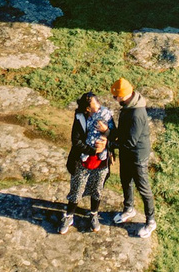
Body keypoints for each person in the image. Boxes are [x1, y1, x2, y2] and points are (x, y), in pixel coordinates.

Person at [110, 77, 156, 238]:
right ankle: (128, 209)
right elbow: (123, 134)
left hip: (137, 156)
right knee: (125, 181)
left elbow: (129, 141)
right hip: (126, 152)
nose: (114, 99)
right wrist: (109, 133)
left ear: (123, 96)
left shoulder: (137, 113)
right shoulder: (128, 106)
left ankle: (150, 221)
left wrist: (110, 145)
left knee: (143, 189)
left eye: (116, 97)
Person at [60, 92, 110, 233]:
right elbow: (76, 141)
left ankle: (94, 214)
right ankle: (69, 216)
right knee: (76, 190)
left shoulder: (106, 115)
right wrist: (93, 151)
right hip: (83, 162)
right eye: (95, 103)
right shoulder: (80, 119)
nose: (99, 105)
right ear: (87, 108)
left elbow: (114, 135)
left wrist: (106, 132)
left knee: (97, 189)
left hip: (101, 162)